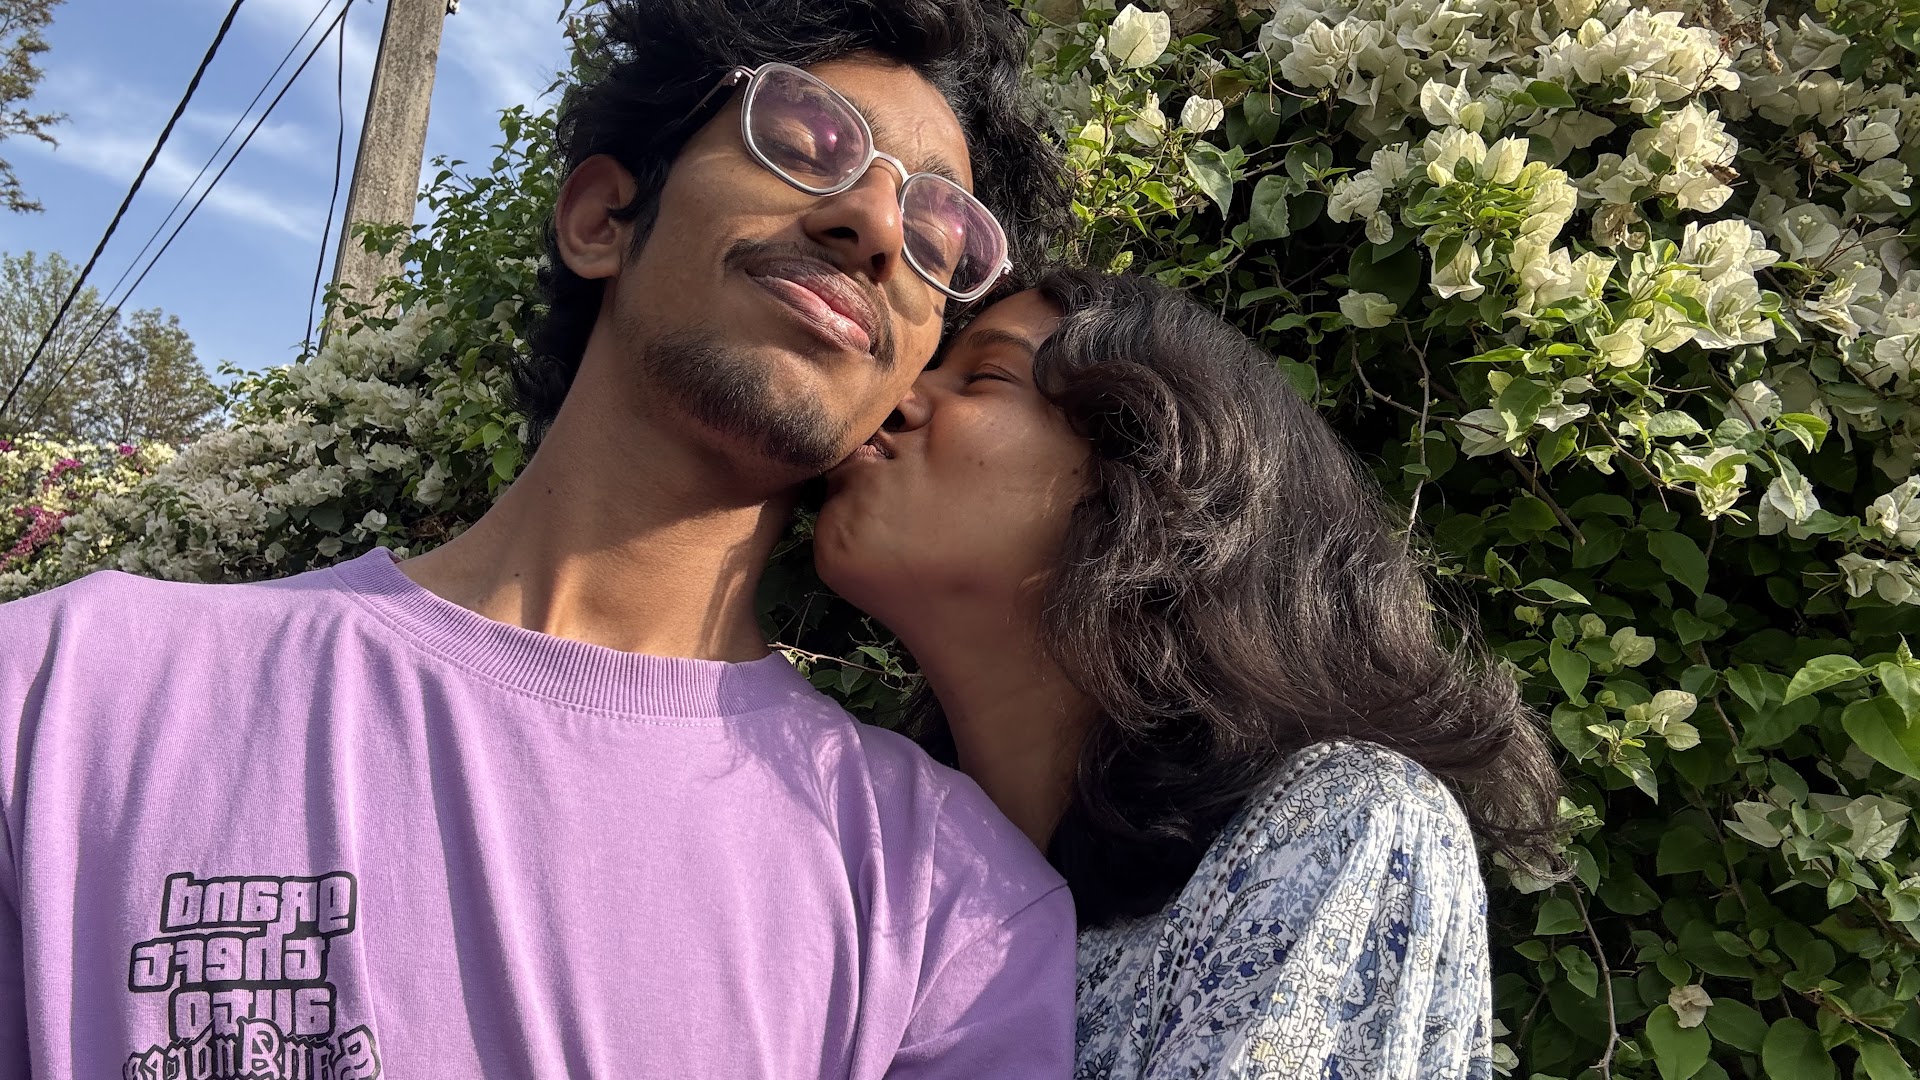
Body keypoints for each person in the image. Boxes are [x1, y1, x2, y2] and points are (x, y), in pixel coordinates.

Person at [0, 2, 1077, 1076]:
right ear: (602, 218)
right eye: (805, 140)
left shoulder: (955, 911)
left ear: (908, 375)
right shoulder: (63, 694)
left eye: (938, 236)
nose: (878, 225)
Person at [815, 268, 1565, 1079]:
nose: (894, 397)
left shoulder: (1339, 821)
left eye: (984, 375)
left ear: (1157, 479)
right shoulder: (876, 853)